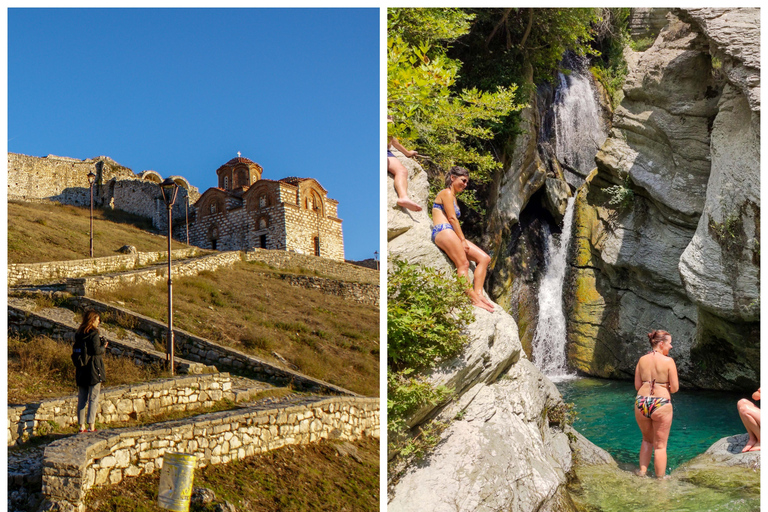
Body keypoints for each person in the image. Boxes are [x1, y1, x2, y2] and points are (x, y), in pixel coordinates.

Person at [432, 166, 494, 312]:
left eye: (467, 182)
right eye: (463, 181)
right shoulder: (446, 193)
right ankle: (473, 299)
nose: (465, 185)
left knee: (484, 258)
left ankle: (479, 294)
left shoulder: (453, 197)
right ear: (452, 178)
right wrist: (462, 240)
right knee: (463, 264)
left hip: (451, 233)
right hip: (443, 231)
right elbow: (452, 218)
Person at [634, 329, 679, 478]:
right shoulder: (668, 361)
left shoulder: (642, 360)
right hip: (661, 403)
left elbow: (637, 385)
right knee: (660, 446)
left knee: (647, 440)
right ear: (661, 343)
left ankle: (642, 472)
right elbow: (675, 388)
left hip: (641, 402)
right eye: (669, 343)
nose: (671, 347)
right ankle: (660, 480)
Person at [74, 310, 107, 433]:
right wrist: (103, 347)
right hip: (93, 369)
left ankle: (81, 426)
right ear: (92, 320)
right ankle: (91, 425)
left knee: (82, 397)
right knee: (93, 397)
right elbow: (96, 351)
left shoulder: (79, 333)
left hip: (81, 369)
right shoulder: (93, 334)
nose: (99, 322)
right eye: (98, 320)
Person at [387, 116, 422, 212]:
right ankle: (403, 196)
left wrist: (407, 153)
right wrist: (407, 153)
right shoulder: (389, 122)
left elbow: (393, 141)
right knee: (401, 171)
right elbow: (394, 141)